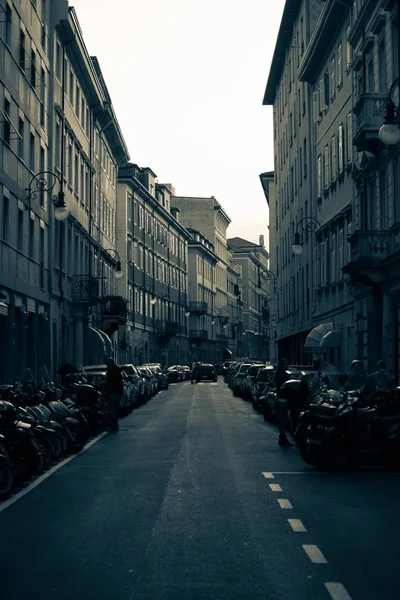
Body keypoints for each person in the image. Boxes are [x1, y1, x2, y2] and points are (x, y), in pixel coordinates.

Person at [274, 358, 292, 447]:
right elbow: (284, 386)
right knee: (283, 419)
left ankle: (282, 437)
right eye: (285, 363)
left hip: (281, 399)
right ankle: (282, 438)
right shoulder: (281, 374)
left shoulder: (279, 373)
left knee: (282, 420)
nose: (287, 365)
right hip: (282, 399)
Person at [104, 358, 124, 431]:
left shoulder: (113, 371)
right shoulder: (116, 370)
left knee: (112, 409)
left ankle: (113, 426)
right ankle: (114, 425)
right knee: (113, 409)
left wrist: (105, 387)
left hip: (114, 392)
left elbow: (110, 382)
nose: (106, 366)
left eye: (107, 364)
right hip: (117, 392)